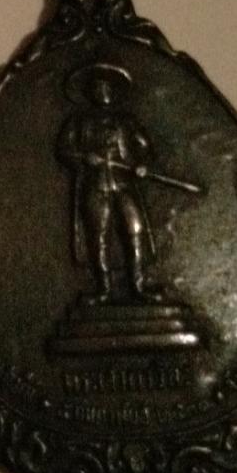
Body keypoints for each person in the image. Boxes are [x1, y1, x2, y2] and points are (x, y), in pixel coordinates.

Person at [57, 63, 160, 304]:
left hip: (124, 184)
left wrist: (142, 164)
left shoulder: (127, 121)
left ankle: (138, 286)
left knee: (134, 231)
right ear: (90, 92)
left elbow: (146, 148)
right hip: (96, 185)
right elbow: (63, 151)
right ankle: (103, 290)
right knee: (98, 235)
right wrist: (84, 157)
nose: (102, 91)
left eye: (106, 87)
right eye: (97, 87)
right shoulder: (78, 122)